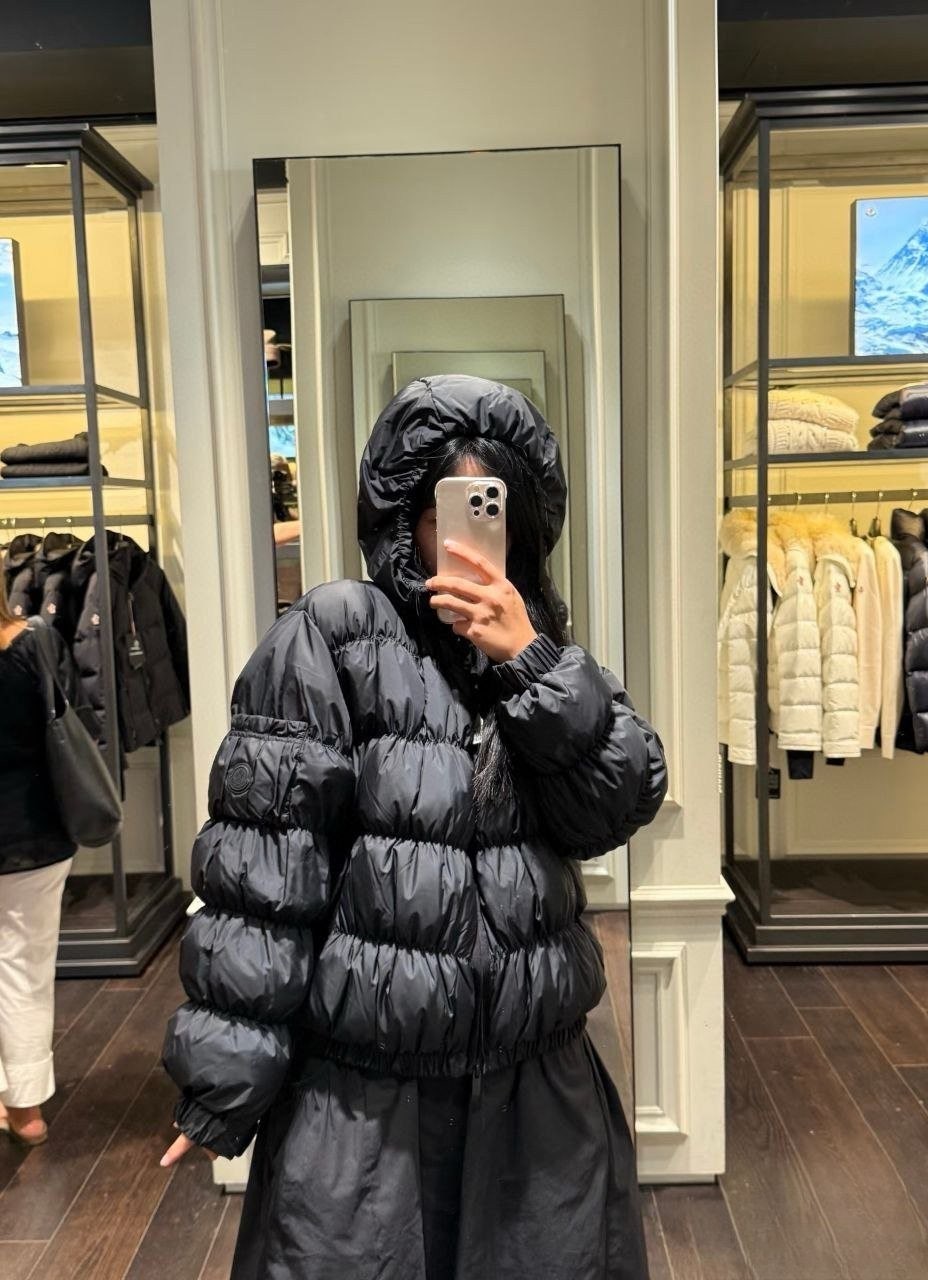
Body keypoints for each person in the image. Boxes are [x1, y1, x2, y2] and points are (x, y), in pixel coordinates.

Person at [161, 375, 668, 1280]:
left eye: (489, 513)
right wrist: (221, 1077)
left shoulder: (546, 648)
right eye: (444, 515)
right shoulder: (331, 633)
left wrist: (531, 665)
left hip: (537, 1092)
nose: (466, 543)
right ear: (404, 520)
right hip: (365, 1105)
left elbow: (612, 810)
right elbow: (266, 870)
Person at [0, 569, 84, 1147]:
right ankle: (24, 1108)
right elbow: (71, 721)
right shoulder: (34, 645)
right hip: (32, 831)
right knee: (24, 970)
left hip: (33, 835)